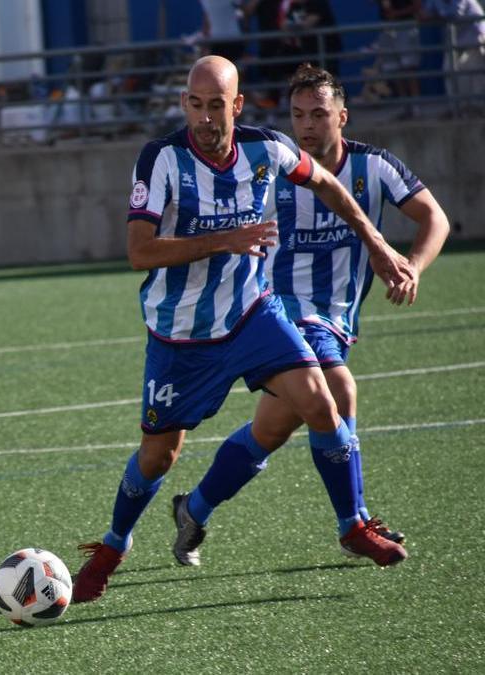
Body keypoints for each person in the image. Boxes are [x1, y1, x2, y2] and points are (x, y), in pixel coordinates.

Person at [71, 55, 414, 604]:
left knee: (322, 400)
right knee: (159, 456)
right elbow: (139, 252)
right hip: (179, 334)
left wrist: (377, 244)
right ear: (185, 104)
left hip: (253, 314)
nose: (205, 119)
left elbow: (327, 183)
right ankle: (114, 545)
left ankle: (353, 525)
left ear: (237, 106)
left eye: (216, 107)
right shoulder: (161, 159)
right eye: (196, 105)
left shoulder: (268, 148)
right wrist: (225, 240)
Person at [170, 64, 449, 566]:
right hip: (277, 310)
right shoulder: (272, 164)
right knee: (339, 391)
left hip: (337, 318)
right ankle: (355, 523)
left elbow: (435, 216)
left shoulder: (374, 167)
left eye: (319, 114)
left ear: (342, 116)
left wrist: (413, 266)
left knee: (271, 429)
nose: (307, 126)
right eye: (298, 115)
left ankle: (194, 507)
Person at [423, 0, 485, 105]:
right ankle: (457, 108)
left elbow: (454, 13)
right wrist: (433, 16)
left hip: (474, 36)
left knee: (474, 73)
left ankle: (478, 107)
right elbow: (424, 14)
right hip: (455, 40)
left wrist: (434, 16)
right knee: (449, 70)